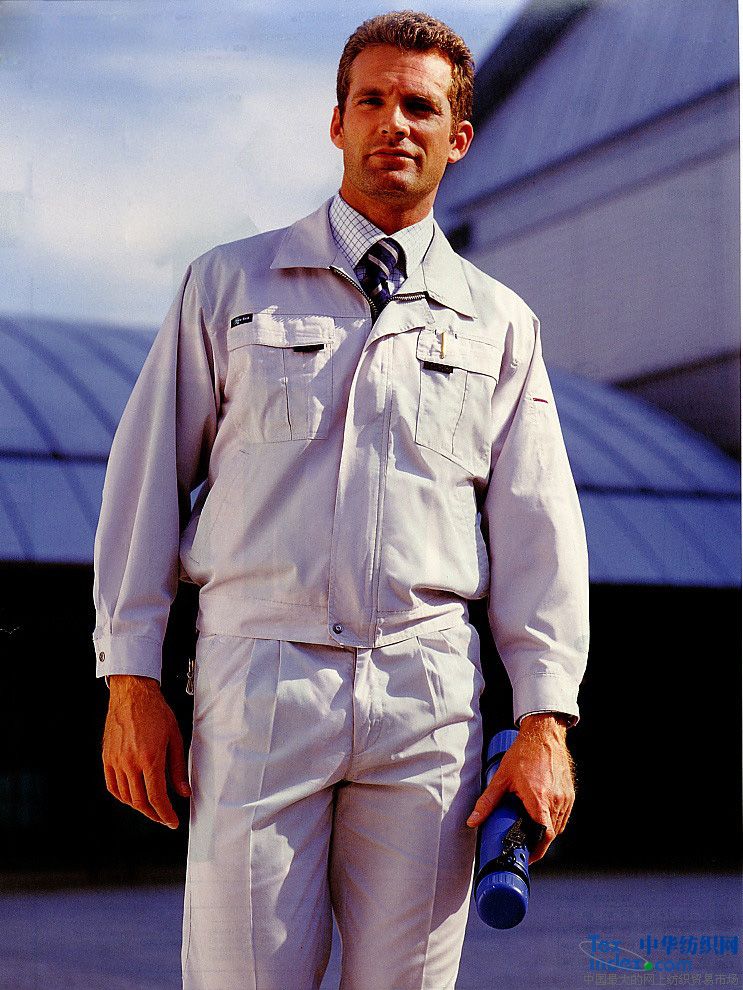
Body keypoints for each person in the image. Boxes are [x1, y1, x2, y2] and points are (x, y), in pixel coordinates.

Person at [95, 11, 589, 989]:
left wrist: (545, 721)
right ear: (337, 123)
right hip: (258, 681)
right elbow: (143, 487)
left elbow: (539, 533)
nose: (393, 123)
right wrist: (129, 679)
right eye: (372, 100)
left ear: (458, 138)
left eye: (420, 106)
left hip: (427, 700)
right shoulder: (228, 285)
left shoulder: (500, 324)